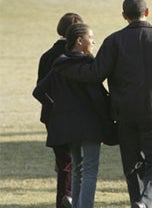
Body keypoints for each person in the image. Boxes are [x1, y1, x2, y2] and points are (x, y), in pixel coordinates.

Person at [50, 1, 152, 207]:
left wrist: (64, 64)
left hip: (124, 114)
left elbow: (95, 74)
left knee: (132, 166)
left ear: (124, 15)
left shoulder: (114, 41)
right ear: (147, 12)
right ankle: (145, 202)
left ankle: (138, 202)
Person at [33, 23, 111, 208]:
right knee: (90, 170)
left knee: (77, 168)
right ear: (79, 41)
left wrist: (57, 108)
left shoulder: (59, 64)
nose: (93, 41)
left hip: (67, 127)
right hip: (90, 126)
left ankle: (75, 203)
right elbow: (98, 97)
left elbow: (39, 92)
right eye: (90, 38)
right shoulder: (89, 65)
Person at [36, 12, 83, 208]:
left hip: (52, 114)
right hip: (75, 114)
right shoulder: (78, 56)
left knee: (63, 161)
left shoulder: (47, 55)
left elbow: (40, 86)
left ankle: (63, 199)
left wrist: (52, 105)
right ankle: (70, 198)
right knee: (76, 161)